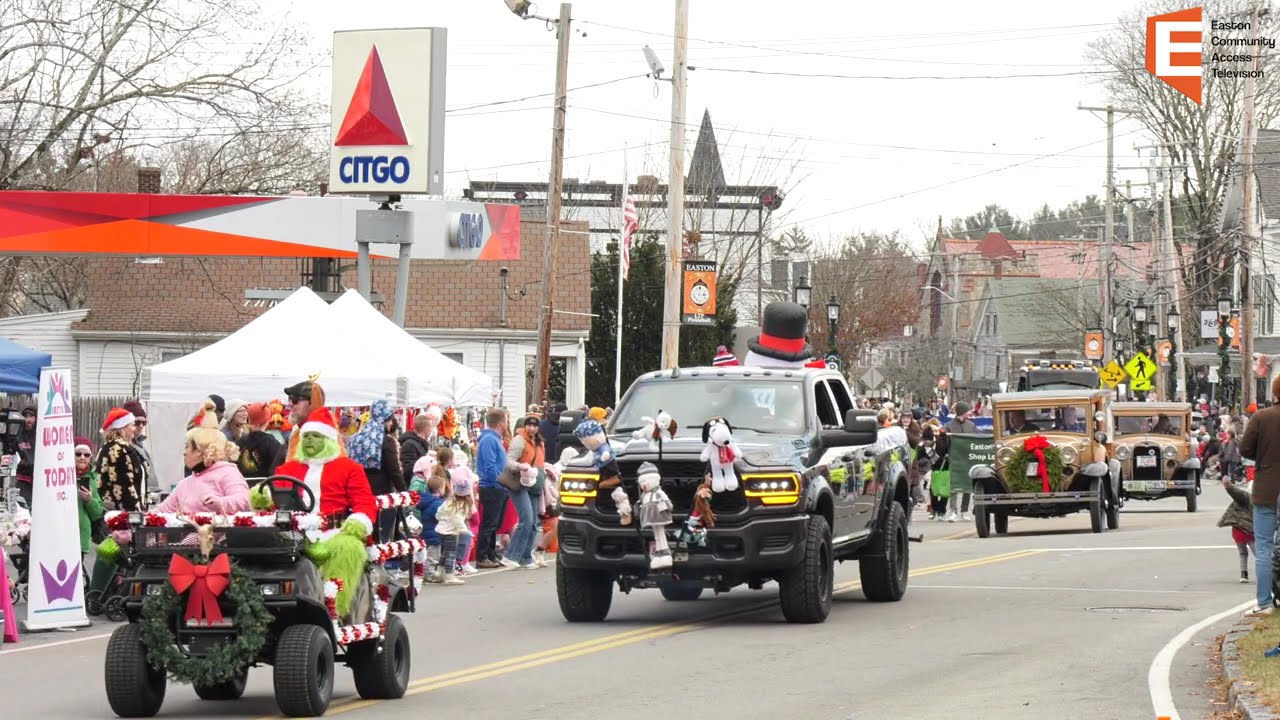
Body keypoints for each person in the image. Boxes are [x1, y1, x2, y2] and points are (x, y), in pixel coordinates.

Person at [272, 406, 378, 525]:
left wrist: (359, 522)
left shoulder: (350, 468)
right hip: (293, 533)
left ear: (328, 441)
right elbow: (273, 499)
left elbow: (364, 501)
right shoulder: (287, 470)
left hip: (335, 533)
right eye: (306, 436)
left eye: (316, 436)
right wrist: (263, 497)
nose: (309, 440)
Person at [156, 400, 251, 514]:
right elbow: (163, 510)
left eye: (187, 447)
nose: (184, 452)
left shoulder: (228, 473)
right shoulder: (185, 484)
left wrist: (221, 503)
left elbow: (243, 499)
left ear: (201, 452)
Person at [1239, 374, 1280, 616]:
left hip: (1266, 486)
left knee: (1263, 546)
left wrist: (1264, 459)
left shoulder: (1262, 417)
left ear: (1274, 394)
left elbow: (1245, 448)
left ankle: (1263, 602)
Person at [348, 400, 406, 542]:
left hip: (359, 492)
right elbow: (394, 471)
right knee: (381, 538)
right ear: (386, 419)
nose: (391, 423)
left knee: (363, 533)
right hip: (381, 495)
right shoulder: (386, 441)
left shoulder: (357, 438)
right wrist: (405, 492)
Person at [504, 415, 546, 570]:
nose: (532, 428)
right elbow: (509, 461)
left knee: (534, 524)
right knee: (526, 520)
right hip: (519, 482)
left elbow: (540, 462)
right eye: (529, 425)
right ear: (524, 426)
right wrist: (521, 466)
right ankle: (511, 556)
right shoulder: (519, 440)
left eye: (535, 426)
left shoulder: (539, 441)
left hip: (535, 483)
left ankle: (526, 557)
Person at [475, 408, 510, 569]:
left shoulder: (495, 439)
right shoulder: (489, 439)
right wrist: (499, 480)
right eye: (506, 421)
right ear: (501, 423)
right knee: (489, 523)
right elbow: (489, 466)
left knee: (495, 523)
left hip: (499, 486)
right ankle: (482, 556)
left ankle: (490, 553)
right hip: (492, 486)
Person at [96, 407, 146, 511]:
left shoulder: (110, 447)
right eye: (132, 425)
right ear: (122, 428)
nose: (134, 428)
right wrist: (136, 512)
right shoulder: (119, 450)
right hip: (121, 513)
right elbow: (125, 485)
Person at [435, 466, 477, 585]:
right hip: (451, 532)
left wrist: (441, 520)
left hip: (442, 529)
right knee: (451, 553)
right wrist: (465, 531)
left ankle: (439, 570)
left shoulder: (449, 502)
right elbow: (458, 520)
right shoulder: (461, 506)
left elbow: (439, 512)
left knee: (445, 552)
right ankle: (449, 574)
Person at [943, 401, 978, 522]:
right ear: (962, 411)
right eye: (968, 411)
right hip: (954, 459)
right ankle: (953, 511)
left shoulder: (971, 425)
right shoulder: (949, 425)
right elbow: (944, 443)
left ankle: (964, 510)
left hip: (968, 458)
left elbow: (976, 440)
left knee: (967, 485)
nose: (970, 413)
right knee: (954, 485)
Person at [1219, 475, 1255, 583]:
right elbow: (1235, 492)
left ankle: (1244, 574)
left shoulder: (1247, 497)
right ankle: (1268, 574)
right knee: (1259, 554)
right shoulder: (1247, 497)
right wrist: (1228, 485)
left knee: (1243, 553)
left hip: (1237, 530)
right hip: (1247, 531)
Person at [74, 437, 105, 563]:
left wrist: (89, 500)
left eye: (86, 455)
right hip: (61, 534)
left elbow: (98, 513)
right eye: (78, 454)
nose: (82, 457)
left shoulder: (93, 479)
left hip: (81, 537)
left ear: (90, 458)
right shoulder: (62, 477)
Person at [234, 402, 283, 480]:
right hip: (264, 487)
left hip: (242, 485)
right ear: (267, 421)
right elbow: (278, 468)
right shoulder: (271, 443)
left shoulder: (240, 441)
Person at [121, 400, 158, 494]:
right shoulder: (124, 445)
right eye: (137, 422)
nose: (141, 426)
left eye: (144, 422)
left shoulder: (141, 443)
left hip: (150, 492)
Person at [400, 413, 434, 490]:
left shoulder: (421, 443)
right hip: (415, 486)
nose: (432, 429)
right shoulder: (409, 444)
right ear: (426, 428)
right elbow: (409, 468)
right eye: (431, 427)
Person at [12, 406, 35, 507]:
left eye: (31, 416)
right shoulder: (18, 435)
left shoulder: (41, 434)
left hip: (39, 478)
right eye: (26, 416)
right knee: (23, 508)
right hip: (23, 478)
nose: (28, 419)